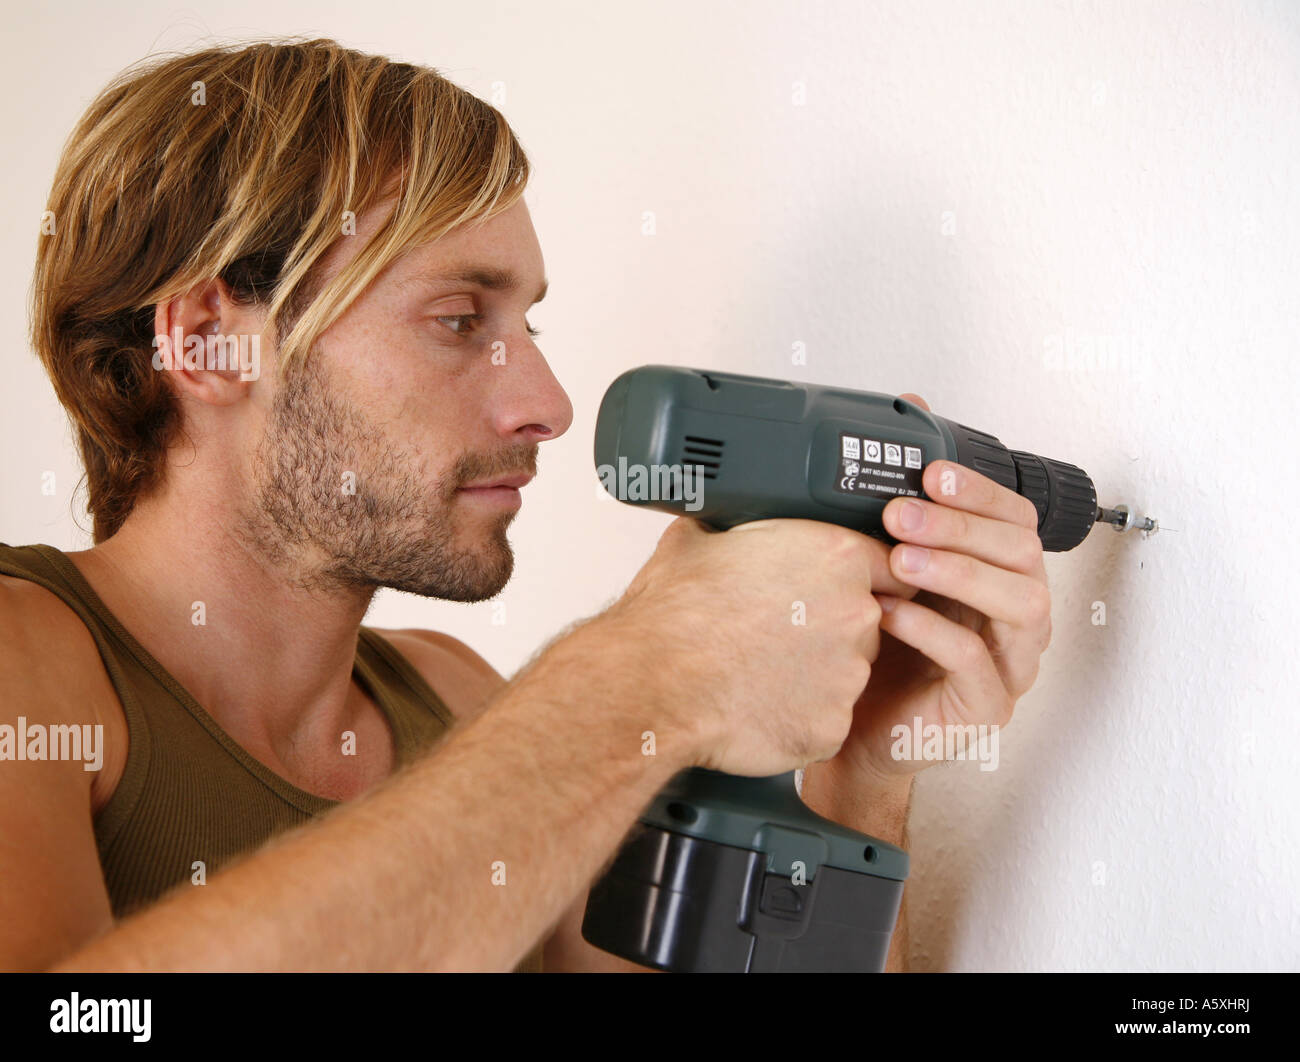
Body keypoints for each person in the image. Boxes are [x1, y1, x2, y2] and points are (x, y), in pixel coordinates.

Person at [0, 38, 1053, 973]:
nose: (546, 406)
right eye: (458, 319)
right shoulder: (26, 666)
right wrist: (639, 681)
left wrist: (856, 781)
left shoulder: (458, 704)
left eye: (527, 325)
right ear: (202, 342)